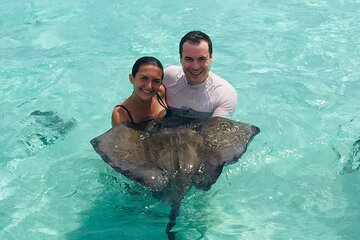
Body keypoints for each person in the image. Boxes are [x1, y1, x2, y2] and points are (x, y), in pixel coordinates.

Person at [163, 31, 237, 119]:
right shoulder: (168, 77)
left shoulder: (224, 94)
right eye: (189, 59)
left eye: (201, 59)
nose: (195, 67)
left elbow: (215, 131)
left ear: (211, 58)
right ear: (180, 59)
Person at [111, 56, 167, 127]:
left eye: (156, 81)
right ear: (131, 79)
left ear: (160, 83)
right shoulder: (121, 115)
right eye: (144, 78)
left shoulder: (160, 92)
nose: (149, 86)